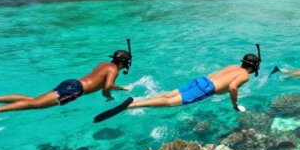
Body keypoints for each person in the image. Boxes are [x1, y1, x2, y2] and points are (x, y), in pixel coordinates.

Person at [0, 47, 132, 134]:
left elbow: (98, 81)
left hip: (71, 82)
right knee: (35, 105)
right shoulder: (114, 70)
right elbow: (106, 87)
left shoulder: (104, 64)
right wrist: (117, 91)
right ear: (123, 62)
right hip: (75, 90)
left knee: (33, 99)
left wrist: (110, 89)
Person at [94, 51, 261, 123]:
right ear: (254, 66)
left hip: (200, 80)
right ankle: (132, 105)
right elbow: (232, 87)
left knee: (167, 95)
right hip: (205, 89)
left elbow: (219, 76)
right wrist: (234, 104)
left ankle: (139, 99)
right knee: (169, 103)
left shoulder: (233, 66)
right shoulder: (245, 75)